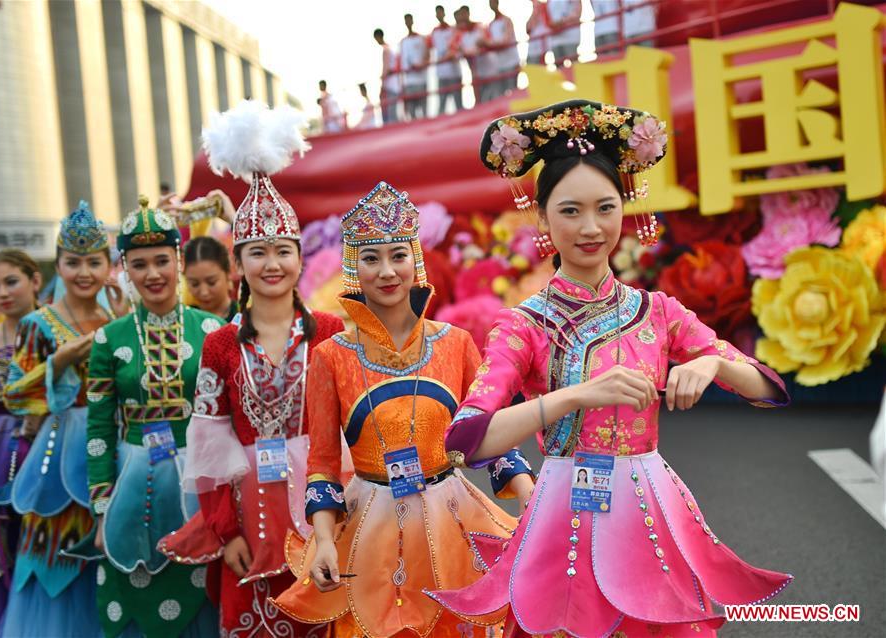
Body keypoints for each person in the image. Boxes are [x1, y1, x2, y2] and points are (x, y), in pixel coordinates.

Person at [426, 99, 793, 636]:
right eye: (570, 211)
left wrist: (712, 360)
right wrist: (572, 397)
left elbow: (767, 388)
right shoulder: (523, 324)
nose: (591, 227)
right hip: (563, 509)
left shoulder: (658, 311)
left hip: (647, 499)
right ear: (543, 216)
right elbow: (466, 439)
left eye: (605, 208)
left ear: (627, 208)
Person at [270, 181, 533, 638]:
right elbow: (324, 464)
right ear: (354, 266)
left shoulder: (456, 344)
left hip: (451, 513)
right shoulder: (332, 356)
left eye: (398, 255)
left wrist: (531, 502)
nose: (387, 271)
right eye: (371, 258)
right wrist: (326, 541)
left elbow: (491, 439)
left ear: (417, 259)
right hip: (369, 519)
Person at [159, 99, 345, 638]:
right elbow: (210, 445)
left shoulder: (328, 332)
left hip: (322, 509)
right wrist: (224, 533)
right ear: (237, 263)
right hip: (248, 519)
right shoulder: (219, 346)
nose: (271, 264)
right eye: (257, 252)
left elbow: (345, 428)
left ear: (300, 257)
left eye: (283, 251)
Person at [86, 196, 223, 637]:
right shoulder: (109, 339)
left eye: (162, 260)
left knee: (200, 596)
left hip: (200, 485)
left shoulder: (213, 331)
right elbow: (99, 431)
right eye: (139, 264)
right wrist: (102, 511)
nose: (153, 274)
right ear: (124, 269)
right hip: (130, 487)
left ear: (179, 260)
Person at [0, 202, 128, 637]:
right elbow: (14, 394)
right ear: (58, 266)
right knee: (55, 562)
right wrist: (56, 364)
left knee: (113, 556)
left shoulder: (118, 320)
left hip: (112, 451)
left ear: (109, 266)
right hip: (57, 458)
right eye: (73, 263)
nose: (84, 272)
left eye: (94, 261)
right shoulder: (38, 324)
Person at [0, 249, 41, 635]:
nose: (2, 293)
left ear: (35, 281)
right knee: (4, 544)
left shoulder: (56, 330)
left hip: (51, 451)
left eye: (11, 281)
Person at [183, 236, 237, 322]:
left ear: (228, 274)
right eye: (194, 284)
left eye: (211, 282)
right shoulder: (184, 320)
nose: (204, 292)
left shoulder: (244, 317)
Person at [456, 5, 497, 104]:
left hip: (491, 72)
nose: (462, 17)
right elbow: (458, 52)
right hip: (477, 76)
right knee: (481, 102)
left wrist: (468, 51)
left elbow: (486, 42)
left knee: (494, 100)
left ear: (468, 14)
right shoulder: (460, 35)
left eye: (463, 14)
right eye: (460, 15)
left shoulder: (480, 27)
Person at [430, 5, 463, 115]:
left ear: (444, 13)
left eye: (440, 12)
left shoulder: (453, 30)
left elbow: (455, 50)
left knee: (458, 104)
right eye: (437, 13)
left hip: (454, 73)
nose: (439, 15)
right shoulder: (434, 32)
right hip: (442, 74)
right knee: (442, 105)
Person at [485, 0, 520, 96]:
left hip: (511, 63)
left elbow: (506, 41)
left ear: (497, 3)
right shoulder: (491, 24)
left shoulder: (507, 20)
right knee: (501, 96)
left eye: (493, 2)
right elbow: (491, 42)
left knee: (514, 94)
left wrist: (488, 44)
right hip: (499, 66)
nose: (492, 5)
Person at [400, 14, 430, 120]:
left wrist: (422, 64)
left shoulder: (421, 39)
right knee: (412, 115)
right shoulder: (403, 42)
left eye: (409, 20)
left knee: (424, 112)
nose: (408, 23)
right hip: (409, 84)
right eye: (406, 20)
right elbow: (402, 64)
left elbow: (427, 55)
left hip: (421, 81)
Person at [374, 29, 401, 124]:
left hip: (390, 85)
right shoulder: (390, 49)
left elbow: (386, 69)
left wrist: (382, 83)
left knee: (390, 114)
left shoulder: (386, 50)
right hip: (395, 84)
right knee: (393, 113)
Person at [547, 0, 582, 65]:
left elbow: (578, 13)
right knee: (560, 70)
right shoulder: (549, 1)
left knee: (574, 66)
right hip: (555, 40)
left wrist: (561, 22)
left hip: (571, 38)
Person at [526, 0, 551, 65]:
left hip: (539, 42)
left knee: (537, 64)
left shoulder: (537, 5)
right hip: (538, 41)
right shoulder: (537, 5)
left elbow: (529, 27)